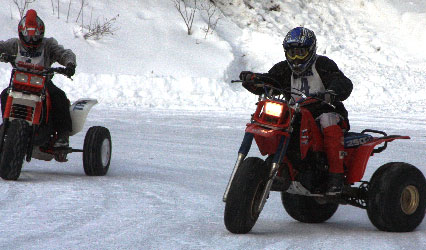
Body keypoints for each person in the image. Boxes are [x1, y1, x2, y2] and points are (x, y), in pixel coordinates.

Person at [239, 27, 353, 195]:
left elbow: (342, 82)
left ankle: (335, 176)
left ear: (311, 50)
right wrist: (254, 80)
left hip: (326, 111)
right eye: (292, 53)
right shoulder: (284, 69)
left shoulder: (322, 65)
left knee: (327, 120)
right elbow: (271, 81)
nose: (296, 58)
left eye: (300, 52)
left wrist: (332, 93)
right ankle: (282, 166)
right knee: (272, 119)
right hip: (296, 115)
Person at [0, 9, 76, 147]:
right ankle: (8, 125)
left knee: (59, 97)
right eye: (28, 36)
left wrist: (69, 64)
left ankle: (63, 135)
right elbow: (1, 46)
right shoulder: (15, 44)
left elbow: (64, 53)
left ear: (41, 34)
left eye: (35, 37)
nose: (31, 40)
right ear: (21, 33)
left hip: (43, 82)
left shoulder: (48, 45)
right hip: (19, 82)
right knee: (5, 94)